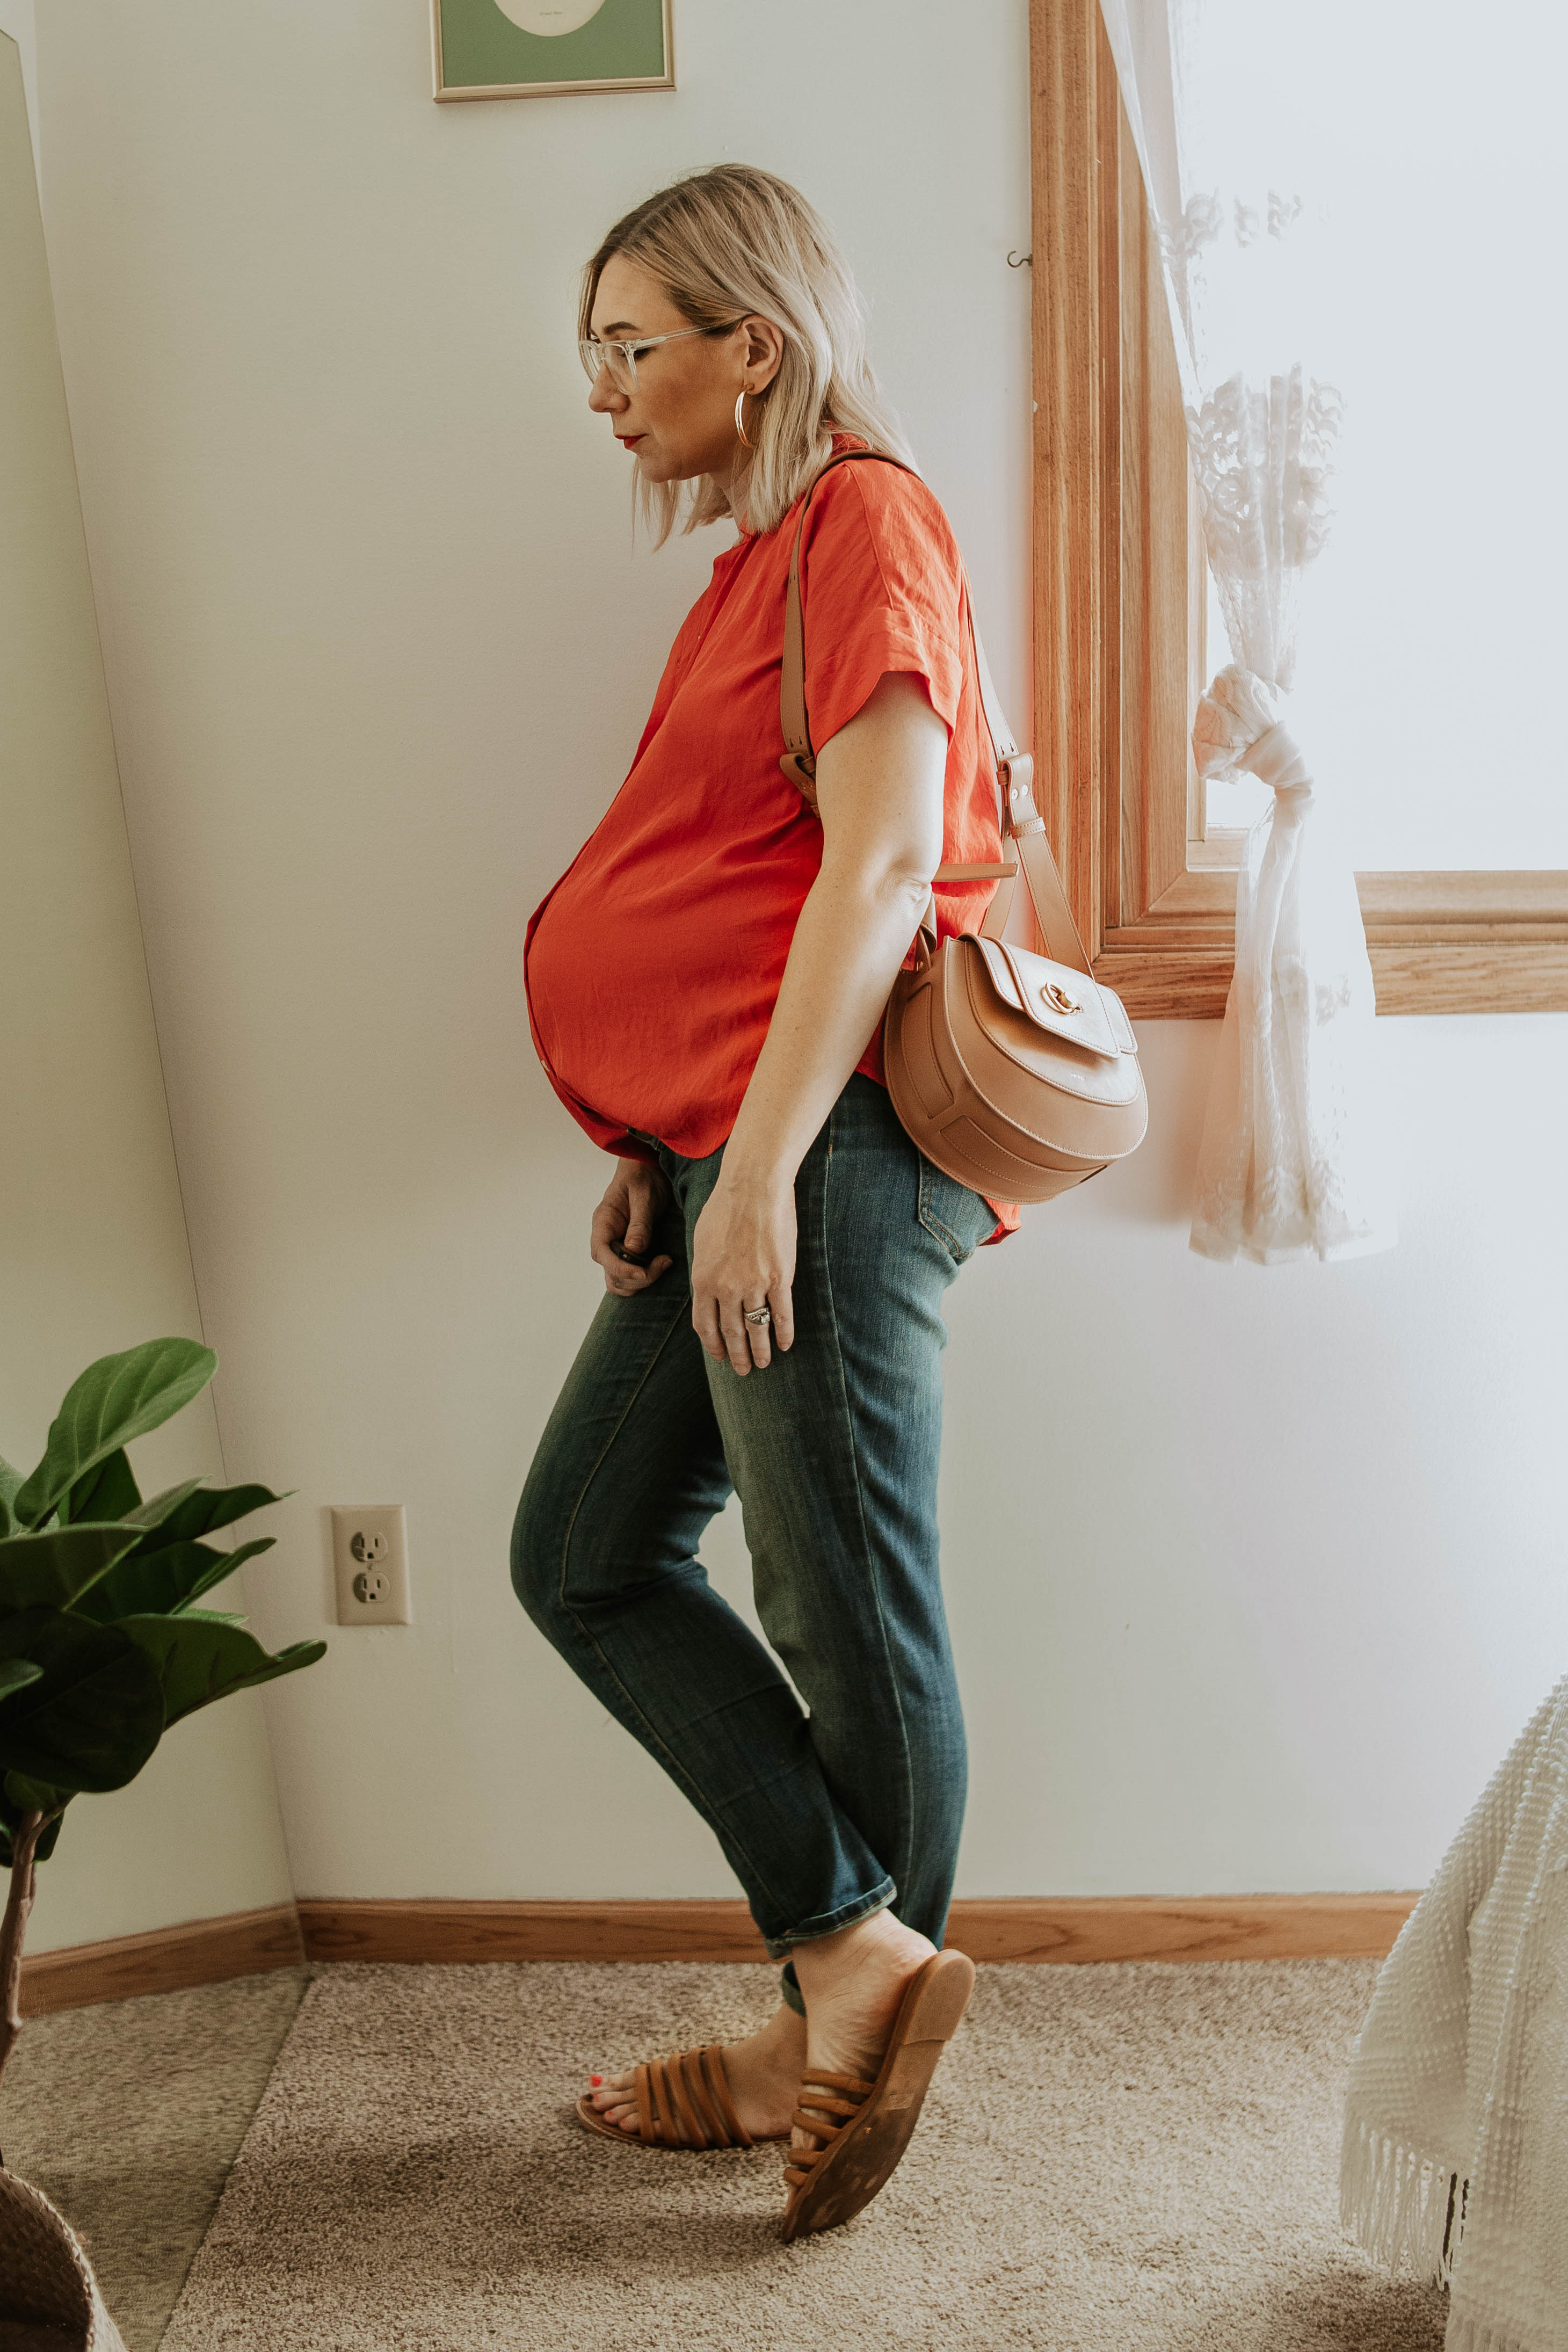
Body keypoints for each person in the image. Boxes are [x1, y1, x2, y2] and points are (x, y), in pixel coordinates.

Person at [513, 162, 1015, 2239]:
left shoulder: (871, 518)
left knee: (843, 1605)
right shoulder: (758, 561)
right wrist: (660, 1148)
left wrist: (767, 1174)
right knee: (585, 1550)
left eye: (635, 345)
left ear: (760, 345)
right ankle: (849, 1965)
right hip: (735, 1148)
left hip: (833, 1159)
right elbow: (729, 886)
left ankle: (842, 2015)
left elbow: (885, 869)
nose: (607, 389)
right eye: (594, 353)